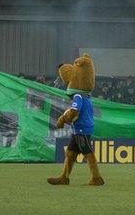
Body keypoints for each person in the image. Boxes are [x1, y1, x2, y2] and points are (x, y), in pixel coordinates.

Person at [47, 53, 104, 186]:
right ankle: (64, 177)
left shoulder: (78, 96)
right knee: (70, 153)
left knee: (88, 153)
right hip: (79, 128)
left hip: (82, 128)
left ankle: (97, 178)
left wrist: (63, 119)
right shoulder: (86, 96)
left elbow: (74, 111)